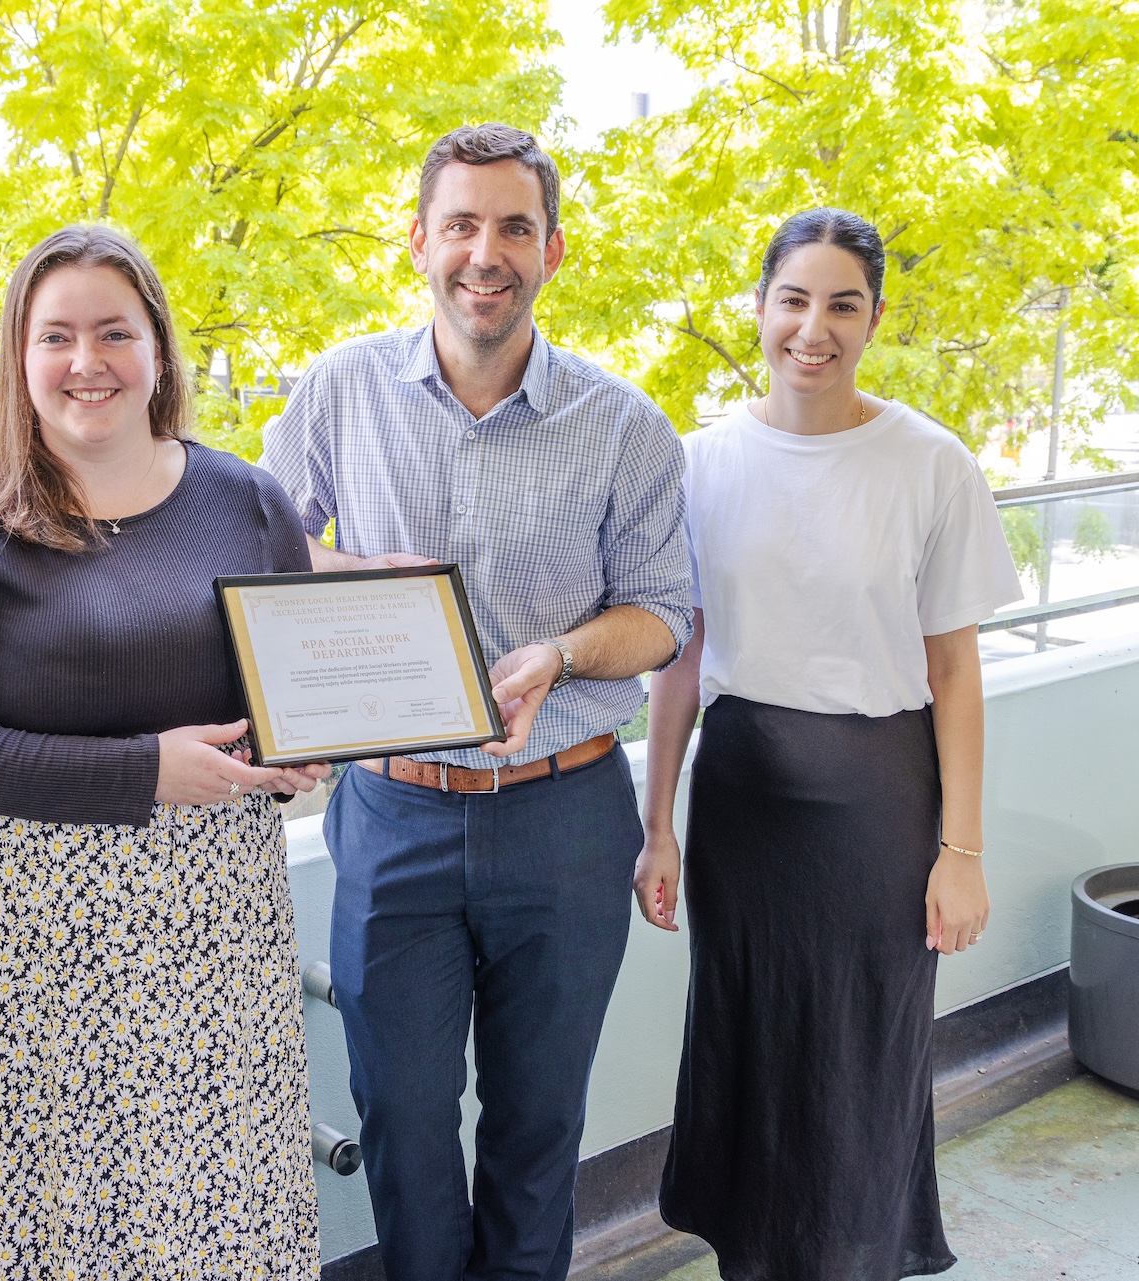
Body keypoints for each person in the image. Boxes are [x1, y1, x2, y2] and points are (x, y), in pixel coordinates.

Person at [260, 124, 693, 1279]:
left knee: (537, 1127)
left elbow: (664, 612)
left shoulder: (623, 425)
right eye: (460, 224)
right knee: (400, 1120)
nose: (484, 253)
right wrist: (362, 577)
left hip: (564, 815)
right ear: (419, 242)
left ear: (553, 250)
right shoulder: (339, 389)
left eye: (513, 227)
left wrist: (562, 652)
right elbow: (260, 551)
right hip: (393, 814)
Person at [0, 224, 325, 1277]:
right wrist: (142, 772)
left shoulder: (250, 500)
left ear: (159, 349)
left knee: (220, 1206)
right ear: (19, 358)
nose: (88, 363)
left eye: (116, 333)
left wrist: (305, 753)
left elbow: (289, 691)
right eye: (58, 336)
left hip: (215, 930)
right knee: (51, 1225)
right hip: (25, 950)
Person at [638, 207, 1021, 1280]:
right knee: (749, 1043)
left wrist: (963, 850)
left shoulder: (929, 464)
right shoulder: (699, 461)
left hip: (880, 804)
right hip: (741, 801)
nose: (815, 327)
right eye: (794, 299)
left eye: (843, 305)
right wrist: (656, 826)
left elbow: (955, 673)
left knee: (862, 1057)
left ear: (875, 319)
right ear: (758, 309)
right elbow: (681, 656)